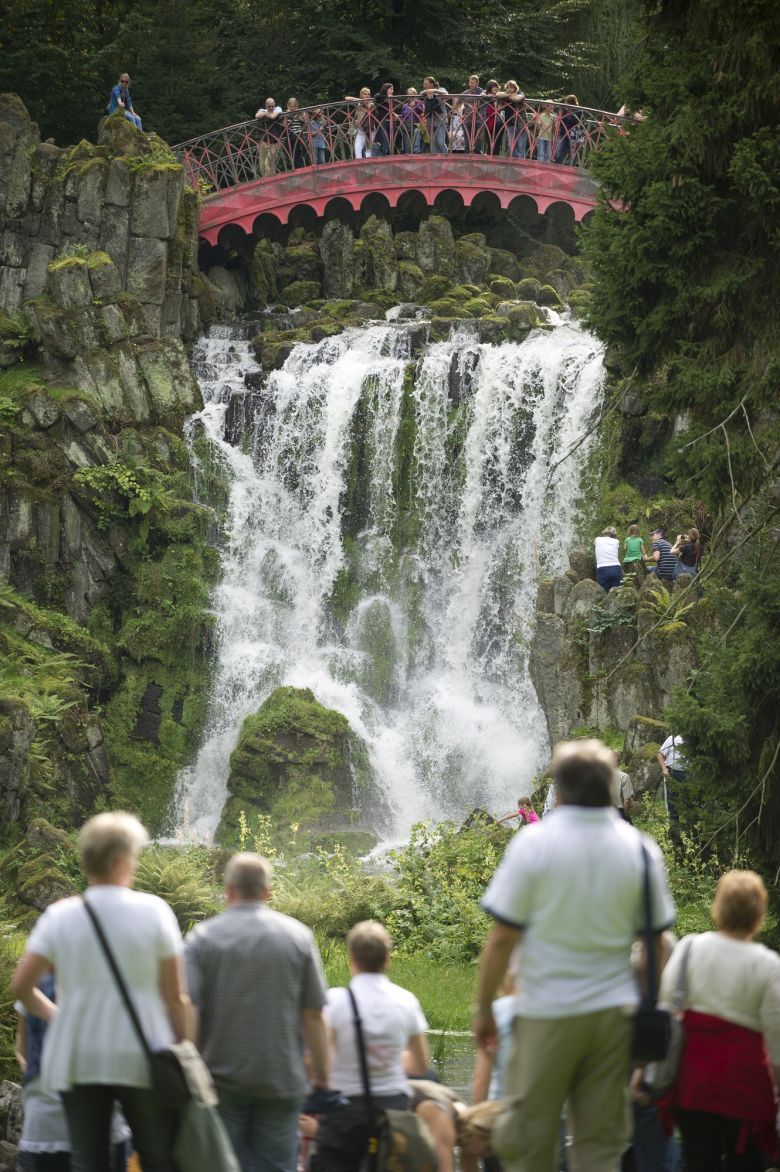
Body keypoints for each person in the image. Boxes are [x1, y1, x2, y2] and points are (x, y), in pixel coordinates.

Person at [474, 738, 675, 1172]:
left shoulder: (533, 845)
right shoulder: (641, 850)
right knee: (600, 1147)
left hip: (544, 1010)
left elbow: (501, 938)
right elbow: (657, 943)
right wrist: (649, 1005)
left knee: (531, 1142)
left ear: (557, 790)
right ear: (609, 786)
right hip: (613, 1018)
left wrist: (484, 1008)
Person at [11, 812, 191, 1172]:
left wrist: (57, 1016)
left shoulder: (60, 916)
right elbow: (175, 997)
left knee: (88, 1161)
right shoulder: (154, 911)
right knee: (158, 1157)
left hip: (78, 1058)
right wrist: (183, 1051)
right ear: (123, 860)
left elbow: (21, 987)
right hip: (141, 1053)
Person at [184, 852, 329, 1172]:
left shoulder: (201, 939)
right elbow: (314, 1014)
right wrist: (322, 1074)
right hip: (281, 1079)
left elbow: (189, 1008)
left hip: (219, 1080)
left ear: (227, 890)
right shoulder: (299, 937)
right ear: (267, 892)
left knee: (220, 1164)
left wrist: (188, 1073)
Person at [657, 870, 780, 1171]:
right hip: (744, 1085)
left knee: (698, 1160)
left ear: (719, 907)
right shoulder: (767, 964)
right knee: (745, 1163)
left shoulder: (689, 949)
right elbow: (776, 1037)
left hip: (693, 1079)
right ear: (758, 913)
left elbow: (665, 1005)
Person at [312, 920, 430, 1171]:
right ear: (387, 959)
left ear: (351, 957)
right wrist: (384, 1058)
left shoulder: (335, 1001)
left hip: (344, 1111)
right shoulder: (406, 1001)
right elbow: (420, 1065)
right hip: (393, 1110)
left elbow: (317, 1060)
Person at [15, 971, 132, 1171]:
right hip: (103, 1125)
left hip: (44, 1123)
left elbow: (21, 1050)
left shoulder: (32, 984)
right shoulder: (112, 982)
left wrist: (32, 1072)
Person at [657, 733, 687, 846]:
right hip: (673, 774)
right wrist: (664, 769)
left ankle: (691, 837)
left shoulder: (694, 738)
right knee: (672, 806)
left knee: (690, 805)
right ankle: (676, 841)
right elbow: (660, 755)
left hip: (690, 775)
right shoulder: (673, 738)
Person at [255, 98, 283, 177]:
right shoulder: (263, 110)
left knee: (268, 163)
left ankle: (271, 183)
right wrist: (266, 113)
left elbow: (273, 117)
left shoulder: (278, 109)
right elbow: (257, 116)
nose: (271, 108)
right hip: (264, 142)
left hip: (274, 142)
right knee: (262, 167)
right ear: (266, 105)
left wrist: (264, 114)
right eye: (269, 106)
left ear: (275, 104)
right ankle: (266, 183)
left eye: (272, 106)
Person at [421, 77, 449, 154]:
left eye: (426, 84)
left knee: (440, 142)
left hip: (441, 120)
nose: (424, 85)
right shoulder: (425, 92)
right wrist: (428, 92)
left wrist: (434, 91)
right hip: (431, 121)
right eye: (424, 84)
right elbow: (420, 94)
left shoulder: (441, 89)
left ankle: (447, 160)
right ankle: (435, 163)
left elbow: (446, 94)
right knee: (433, 143)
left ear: (431, 84)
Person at [500, 82, 528, 158]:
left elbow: (517, 99)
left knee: (521, 146)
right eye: (508, 88)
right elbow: (497, 94)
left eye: (511, 87)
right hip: (510, 124)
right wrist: (510, 95)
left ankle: (520, 164)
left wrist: (509, 96)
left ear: (515, 88)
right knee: (511, 146)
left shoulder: (520, 93)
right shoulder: (505, 94)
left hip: (521, 124)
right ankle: (513, 162)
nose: (509, 89)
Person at [344, 88, 374, 159]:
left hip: (370, 129)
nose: (367, 95)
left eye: (368, 94)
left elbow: (369, 107)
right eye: (365, 94)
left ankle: (368, 165)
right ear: (361, 95)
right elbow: (346, 98)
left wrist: (365, 101)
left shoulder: (371, 103)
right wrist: (360, 100)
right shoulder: (359, 103)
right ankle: (360, 165)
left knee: (369, 149)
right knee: (357, 147)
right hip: (361, 129)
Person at [555, 95, 584, 165]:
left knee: (573, 155)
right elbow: (559, 120)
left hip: (573, 136)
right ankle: (558, 168)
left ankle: (572, 171)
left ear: (572, 104)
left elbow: (581, 124)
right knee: (559, 153)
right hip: (563, 134)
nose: (566, 105)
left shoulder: (579, 112)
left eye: (567, 103)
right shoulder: (563, 110)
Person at [595, 525, 623, 592]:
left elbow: (595, 544)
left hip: (602, 568)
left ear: (604, 533)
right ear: (614, 535)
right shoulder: (616, 541)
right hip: (616, 567)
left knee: (605, 594)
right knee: (617, 593)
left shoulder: (597, 539)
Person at [371, 83, 395, 157]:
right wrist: (386, 97)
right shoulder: (380, 97)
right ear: (385, 89)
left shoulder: (391, 98)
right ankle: (377, 160)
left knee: (396, 138)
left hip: (390, 122)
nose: (392, 91)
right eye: (390, 89)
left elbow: (390, 110)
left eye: (392, 89)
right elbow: (377, 97)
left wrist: (394, 114)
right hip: (381, 122)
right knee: (385, 145)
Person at [610, 750, 635, 821]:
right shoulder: (624, 777)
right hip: (619, 813)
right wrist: (626, 815)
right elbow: (627, 800)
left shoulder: (602, 776)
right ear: (619, 762)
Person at [284, 97, 308, 169]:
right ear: (288, 106)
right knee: (292, 153)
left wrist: (299, 114)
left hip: (298, 135)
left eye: (293, 106)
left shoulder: (299, 113)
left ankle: (300, 168)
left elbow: (305, 121)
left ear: (296, 106)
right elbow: (284, 125)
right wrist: (287, 114)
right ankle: (296, 168)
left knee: (298, 152)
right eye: (290, 106)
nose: (292, 108)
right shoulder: (287, 115)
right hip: (291, 136)